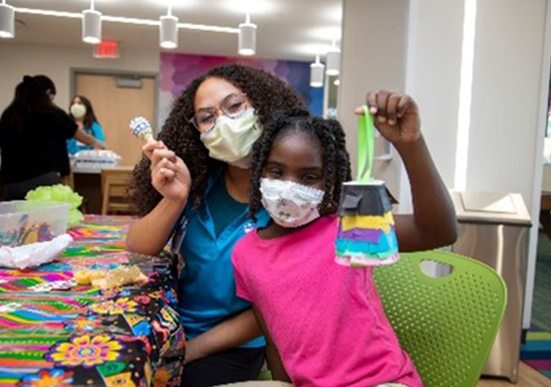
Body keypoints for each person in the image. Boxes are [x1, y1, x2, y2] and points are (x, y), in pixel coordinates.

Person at [126, 64, 456, 386]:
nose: (223, 122)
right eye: (207, 116)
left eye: (234, 106)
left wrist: (410, 145)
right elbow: (274, 325)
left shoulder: (332, 220)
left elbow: (436, 231)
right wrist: (174, 200)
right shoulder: (226, 219)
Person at [231, 102, 457, 386]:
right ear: (259, 173)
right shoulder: (246, 254)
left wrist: (411, 145)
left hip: (380, 381)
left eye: (309, 177)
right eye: (276, 172)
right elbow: (274, 337)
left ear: (331, 182)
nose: (288, 186)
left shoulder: (349, 229)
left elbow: (438, 231)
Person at [0, 75, 105, 200]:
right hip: (44, 180)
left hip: (11, 182)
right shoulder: (52, 113)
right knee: (47, 218)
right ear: (48, 93)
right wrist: (97, 143)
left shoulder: (9, 114)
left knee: (16, 217)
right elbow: (78, 135)